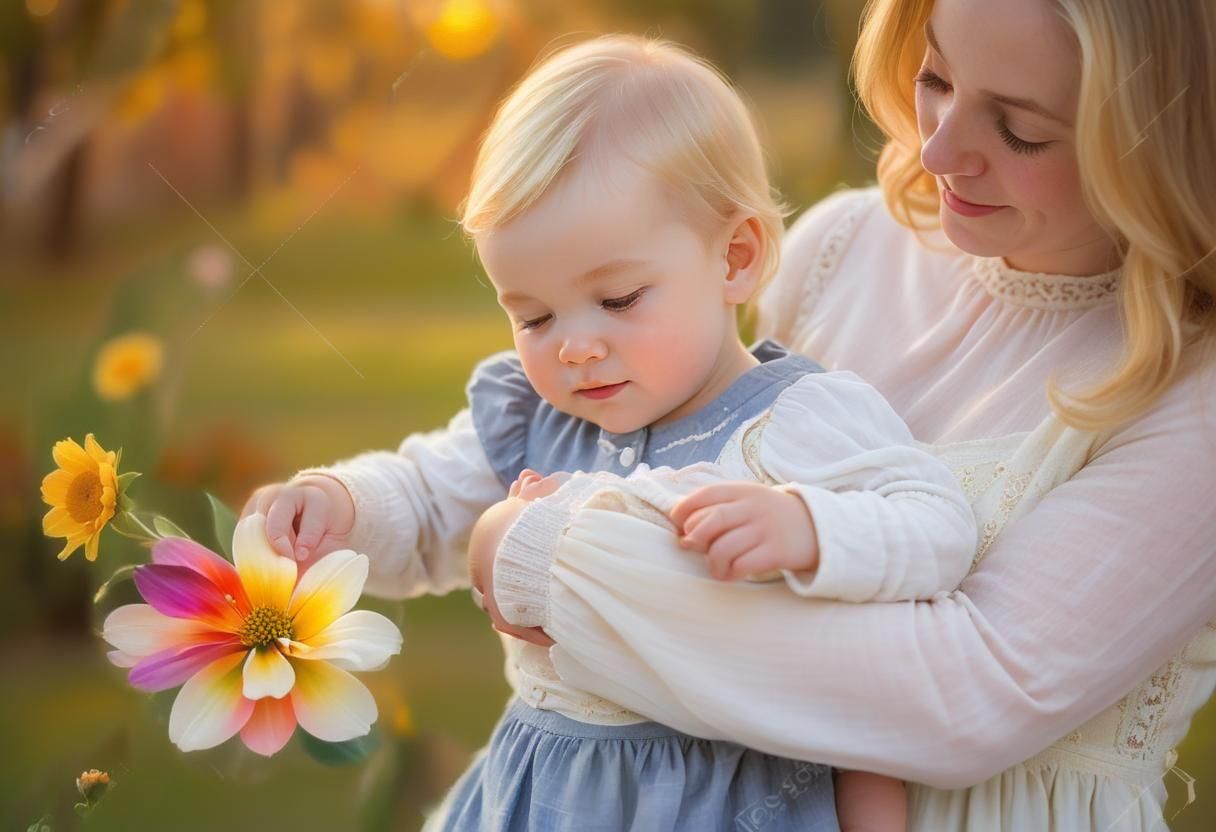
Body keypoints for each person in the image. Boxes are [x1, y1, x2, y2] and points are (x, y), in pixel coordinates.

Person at [480, 0, 1216, 829]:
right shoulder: (843, 249)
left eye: (1019, 130)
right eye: (935, 77)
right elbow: (684, 474)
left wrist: (546, 559)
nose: (938, 148)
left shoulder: (1193, 399)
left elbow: (960, 699)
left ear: (1158, 142)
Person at [241, 34, 982, 832]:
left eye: (620, 299)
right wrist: (338, 505)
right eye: (531, 314)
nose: (575, 346)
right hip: (547, 792)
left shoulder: (797, 420)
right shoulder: (542, 418)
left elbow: (937, 524)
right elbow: (426, 501)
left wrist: (809, 525)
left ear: (735, 257)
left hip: (722, 793)